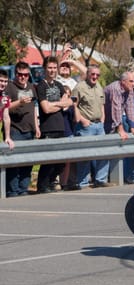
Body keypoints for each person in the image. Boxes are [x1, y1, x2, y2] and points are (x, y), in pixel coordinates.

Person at [36, 56, 73, 194]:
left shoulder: (58, 85)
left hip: (60, 127)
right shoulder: (41, 86)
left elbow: (68, 103)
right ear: (45, 68)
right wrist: (59, 103)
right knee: (47, 161)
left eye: (54, 68)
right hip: (48, 129)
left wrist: (54, 104)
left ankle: (51, 181)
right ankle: (42, 186)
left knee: (61, 162)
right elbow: (46, 109)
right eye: (49, 68)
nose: (52, 70)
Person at [5, 62, 40, 197]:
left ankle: (23, 189)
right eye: (20, 74)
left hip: (30, 129)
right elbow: (5, 107)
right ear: (16, 74)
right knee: (14, 163)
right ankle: (12, 191)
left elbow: (35, 106)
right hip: (15, 129)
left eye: (25, 75)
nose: (23, 77)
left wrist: (37, 126)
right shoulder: (10, 87)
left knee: (27, 161)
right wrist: (19, 102)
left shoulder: (31, 86)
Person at [73, 64, 110, 189]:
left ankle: (100, 179)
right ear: (87, 74)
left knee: (104, 153)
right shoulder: (79, 87)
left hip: (99, 125)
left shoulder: (99, 87)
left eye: (97, 75)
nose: (95, 77)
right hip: (86, 126)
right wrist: (83, 120)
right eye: (92, 74)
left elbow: (102, 105)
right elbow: (74, 106)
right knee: (85, 155)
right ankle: (82, 183)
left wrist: (103, 119)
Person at [103, 71, 134, 140]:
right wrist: (120, 129)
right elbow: (116, 109)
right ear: (123, 81)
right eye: (131, 81)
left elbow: (130, 109)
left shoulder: (130, 89)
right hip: (105, 119)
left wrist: (133, 127)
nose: (133, 84)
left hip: (114, 119)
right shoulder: (115, 88)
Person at [0, 69, 15, 149]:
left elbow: (6, 117)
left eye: (5, 81)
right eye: (1, 81)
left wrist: (8, 137)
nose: (3, 84)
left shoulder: (4, 96)